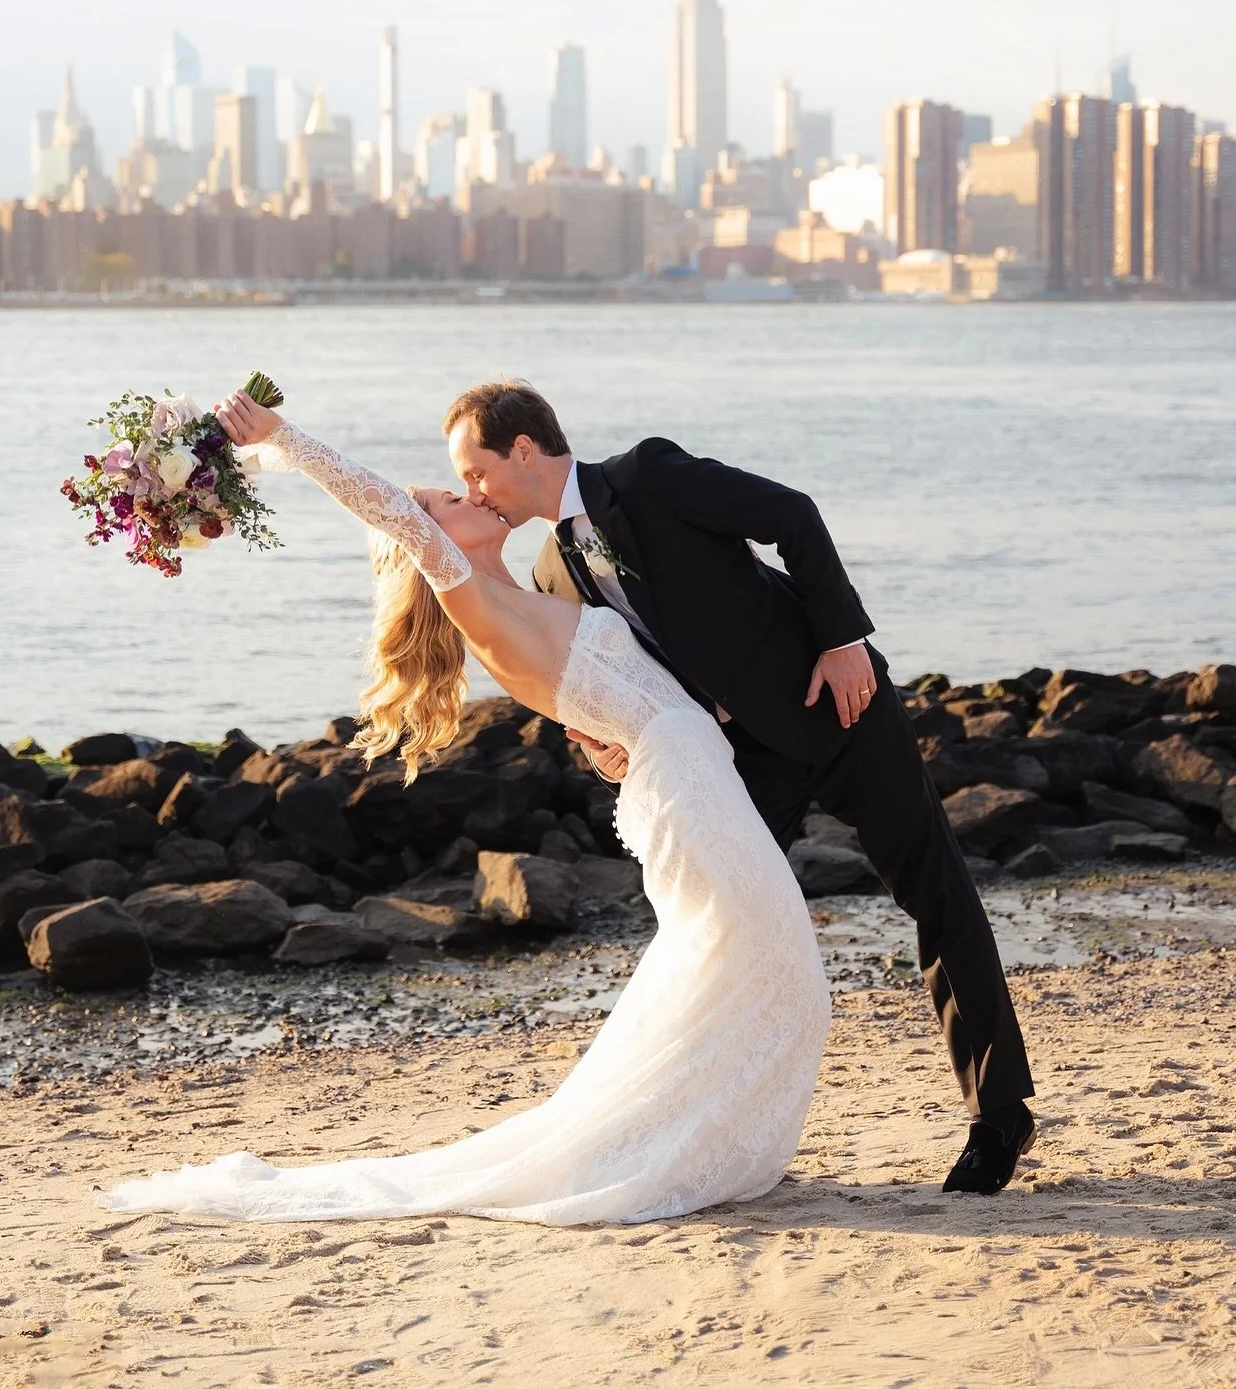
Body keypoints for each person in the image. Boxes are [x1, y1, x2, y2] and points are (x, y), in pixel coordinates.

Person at [100, 386, 832, 1227]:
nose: (472, 496)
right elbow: (385, 505)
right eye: (453, 497)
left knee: (741, 966)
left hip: (689, 775)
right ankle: (674, 1146)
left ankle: (685, 1140)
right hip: (687, 790)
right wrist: (283, 441)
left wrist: (610, 737)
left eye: (466, 484)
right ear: (432, 541)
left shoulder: (525, 589)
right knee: (769, 965)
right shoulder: (468, 597)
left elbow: (611, 685)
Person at [443, 380, 1036, 1195]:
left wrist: (843, 638)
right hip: (740, 762)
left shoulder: (647, 475)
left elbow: (791, 513)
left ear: (521, 449)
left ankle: (999, 1113)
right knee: (721, 929)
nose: (474, 491)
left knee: (934, 889)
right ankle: (711, 1133)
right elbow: (607, 688)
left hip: (840, 706)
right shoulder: (551, 571)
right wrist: (602, 750)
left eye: (475, 472)